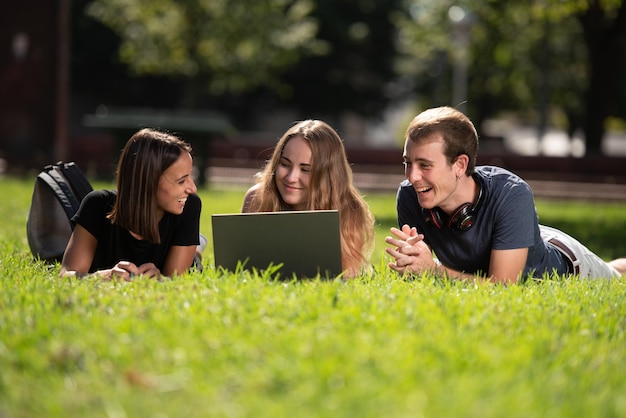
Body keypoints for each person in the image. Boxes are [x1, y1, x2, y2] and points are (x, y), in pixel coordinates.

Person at [385, 106, 626, 284]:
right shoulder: (410, 195)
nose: (412, 176)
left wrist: (434, 271)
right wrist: (411, 263)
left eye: (425, 165)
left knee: (615, 276)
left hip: (567, 261)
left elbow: (502, 287)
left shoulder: (511, 193)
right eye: (408, 162)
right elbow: (417, 273)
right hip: (518, 236)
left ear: (460, 165)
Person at [59, 128, 202, 280]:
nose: (193, 188)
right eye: (181, 181)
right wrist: (103, 276)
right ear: (148, 182)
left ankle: (198, 248)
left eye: (190, 177)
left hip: (183, 245)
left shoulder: (188, 206)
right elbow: (65, 276)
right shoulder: (96, 205)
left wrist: (162, 279)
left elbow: (177, 281)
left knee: (195, 259)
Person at [242, 119, 375, 278]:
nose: (291, 177)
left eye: (305, 169)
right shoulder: (257, 198)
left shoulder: (349, 208)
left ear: (328, 176)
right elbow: (243, 267)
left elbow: (346, 275)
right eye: (285, 164)